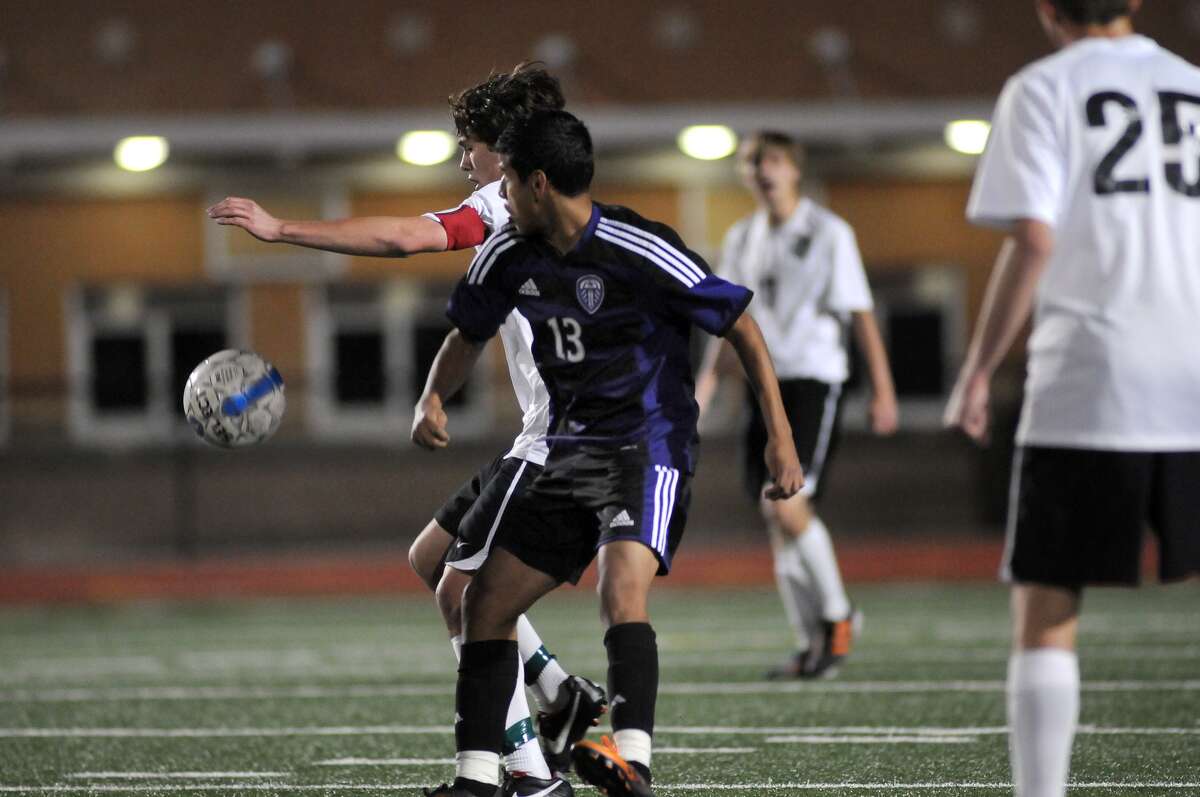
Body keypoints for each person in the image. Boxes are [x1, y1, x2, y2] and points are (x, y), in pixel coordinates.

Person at [207, 64, 605, 797]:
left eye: (469, 144)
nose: (463, 161)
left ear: (506, 152)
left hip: (562, 439)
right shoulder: (556, 201)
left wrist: (282, 228)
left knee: (465, 594)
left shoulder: (504, 199)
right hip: (545, 432)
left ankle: (521, 772)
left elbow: (405, 238)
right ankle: (556, 692)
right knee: (432, 558)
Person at [411, 109, 802, 797]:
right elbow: (465, 333)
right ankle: (477, 778)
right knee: (484, 602)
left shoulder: (637, 246)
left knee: (620, 587)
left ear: (538, 184)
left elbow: (739, 322)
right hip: (566, 448)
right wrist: (433, 396)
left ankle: (633, 766)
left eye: (508, 181)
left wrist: (780, 434)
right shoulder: (510, 253)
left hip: (647, 444)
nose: (499, 195)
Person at [944, 2, 1200, 795]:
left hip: (1092, 373)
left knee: (1049, 606)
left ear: (1047, 9)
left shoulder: (1042, 86)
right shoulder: (1193, 86)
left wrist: (979, 367)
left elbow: (1037, 238)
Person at [695, 130, 898, 680]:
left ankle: (837, 617)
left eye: (775, 161)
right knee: (772, 512)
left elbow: (861, 314)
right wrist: (708, 381)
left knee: (788, 503)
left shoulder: (830, 232)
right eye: (755, 162)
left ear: (794, 170)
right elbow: (728, 321)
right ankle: (814, 646)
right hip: (763, 387)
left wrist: (883, 389)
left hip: (814, 380)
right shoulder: (742, 237)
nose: (764, 171)